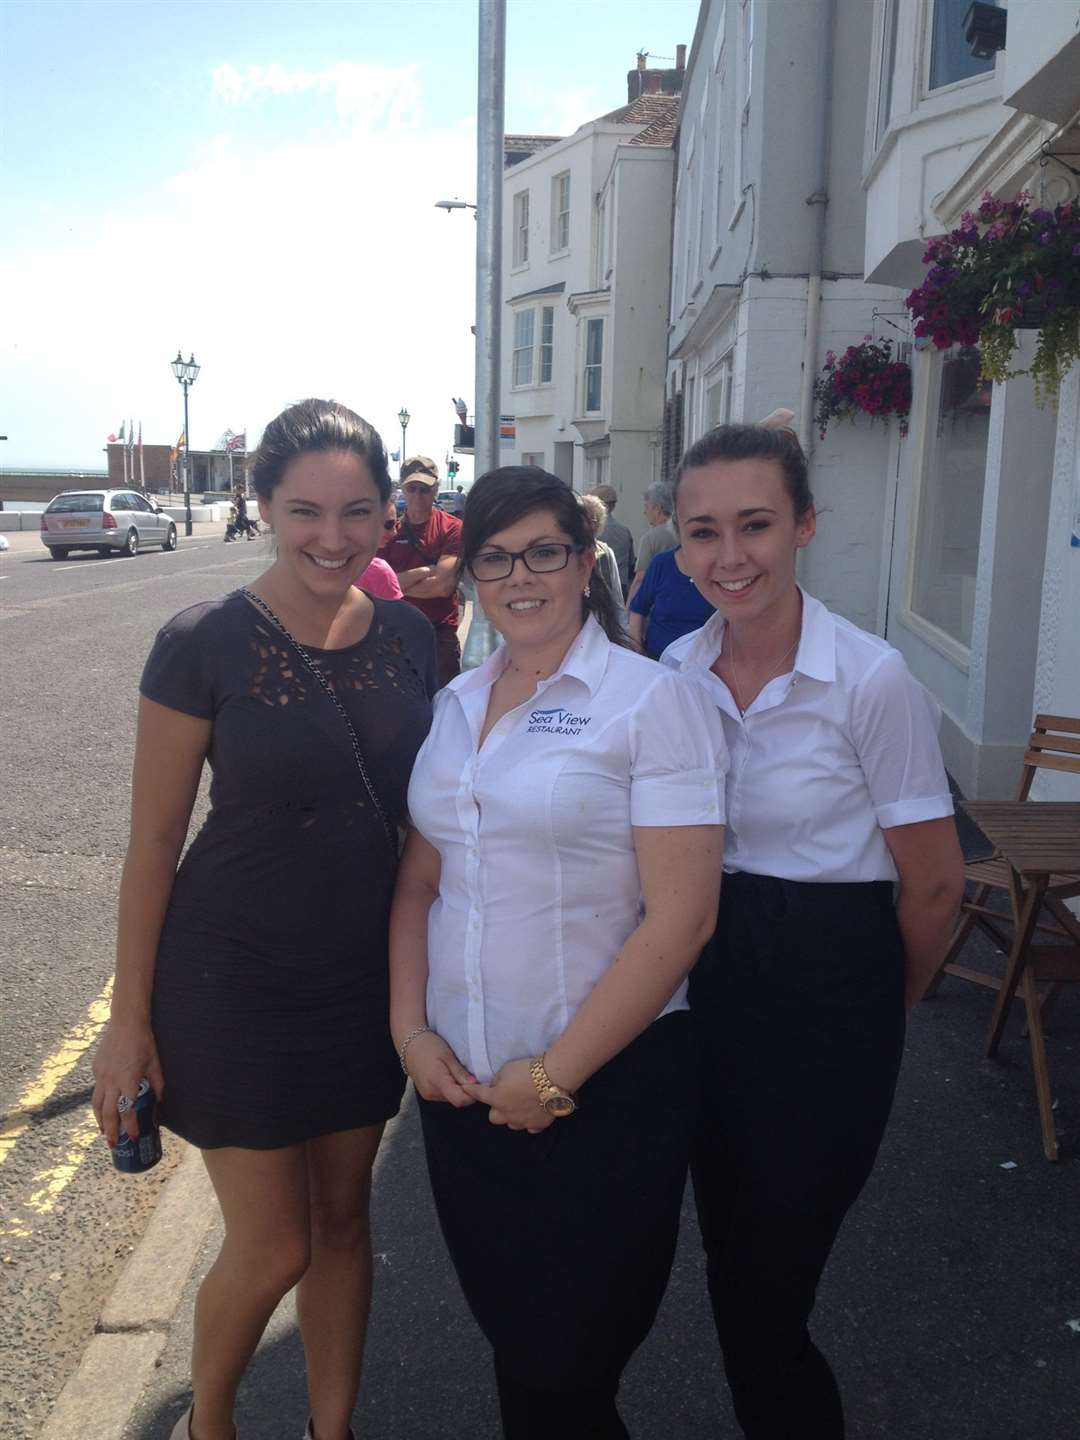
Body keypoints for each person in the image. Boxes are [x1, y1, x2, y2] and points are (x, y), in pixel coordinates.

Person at [91, 399, 436, 1440]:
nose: (333, 537)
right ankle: (213, 1421)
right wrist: (127, 1020)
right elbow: (153, 844)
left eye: (358, 511)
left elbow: (441, 812)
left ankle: (332, 1431)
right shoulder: (202, 642)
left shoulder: (419, 638)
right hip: (230, 977)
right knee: (275, 1245)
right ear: (262, 506)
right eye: (305, 511)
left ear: (388, 514)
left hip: (361, 978)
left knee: (343, 1223)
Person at [390, 466, 726, 1440]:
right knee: (520, 1352)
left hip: (602, 1099)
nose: (519, 575)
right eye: (494, 557)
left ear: (584, 562)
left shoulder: (650, 704)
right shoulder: (453, 707)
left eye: (543, 550)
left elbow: (682, 919)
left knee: (568, 1368)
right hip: (463, 1100)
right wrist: (409, 1033)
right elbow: (419, 881)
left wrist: (553, 1078)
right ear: (472, 575)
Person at [662, 423, 964, 1440]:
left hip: (832, 1001)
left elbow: (932, 887)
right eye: (704, 531)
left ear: (805, 527)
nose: (730, 555)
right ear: (677, 543)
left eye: (755, 524)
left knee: (766, 1287)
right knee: (731, 1262)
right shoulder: (676, 670)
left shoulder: (870, 681)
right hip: (711, 992)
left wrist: (877, 1011)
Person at [381, 456, 464, 687]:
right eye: (412, 488)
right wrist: (428, 570)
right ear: (403, 489)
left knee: (443, 709)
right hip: (395, 636)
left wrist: (396, 582)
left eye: (424, 489)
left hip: (438, 637)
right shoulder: (389, 530)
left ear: (435, 489)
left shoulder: (452, 528)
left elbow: (443, 586)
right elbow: (377, 588)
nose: (418, 495)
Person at [627, 538, 714, 660]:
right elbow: (638, 608)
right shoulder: (661, 563)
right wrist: (637, 649)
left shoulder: (716, 566)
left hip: (702, 663)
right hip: (657, 662)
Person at [578, 492, 627, 631]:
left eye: (593, 520)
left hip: (602, 626)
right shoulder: (568, 552)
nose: (588, 525)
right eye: (583, 520)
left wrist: (623, 633)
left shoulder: (605, 552)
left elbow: (616, 599)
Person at [627, 481, 677, 605]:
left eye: (647, 506)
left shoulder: (650, 538)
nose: (644, 512)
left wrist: (627, 608)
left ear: (658, 508)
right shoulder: (684, 533)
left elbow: (640, 579)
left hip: (657, 605)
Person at [589, 483, 635, 597]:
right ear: (613, 505)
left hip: (598, 589)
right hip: (621, 589)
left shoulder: (591, 532)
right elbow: (631, 564)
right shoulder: (625, 531)